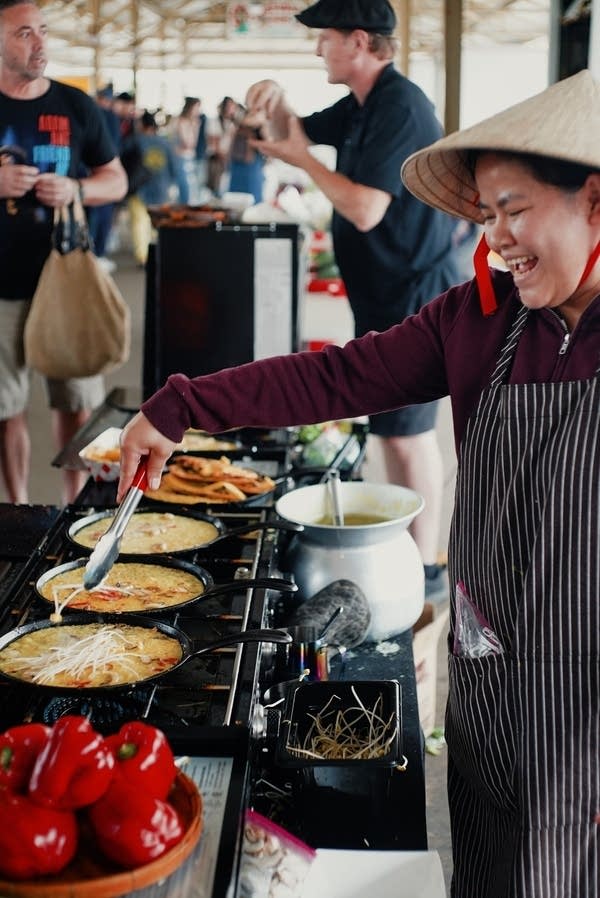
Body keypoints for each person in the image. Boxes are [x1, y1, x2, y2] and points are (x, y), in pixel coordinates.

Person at [118, 69, 600, 897]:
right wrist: (180, 406)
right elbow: (336, 379)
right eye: (485, 217)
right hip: (490, 680)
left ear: (595, 200)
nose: (497, 241)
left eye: (514, 209)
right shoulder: (478, 320)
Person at [243, 0, 460, 596]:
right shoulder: (362, 104)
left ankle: (428, 568)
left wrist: (304, 162)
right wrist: (273, 96)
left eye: (326, 38)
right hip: (383, 289)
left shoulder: (401, 106)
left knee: (409, 433)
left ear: (360, 41)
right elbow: (295, 132)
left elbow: (366, 208)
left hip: (413, 290)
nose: (319, 49)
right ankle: (417, 558)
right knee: (393, 426)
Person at [0, 0, 127, 504]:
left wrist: (76, 188)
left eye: (43, 32)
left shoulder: (77, 107)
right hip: (1, 287)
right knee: (5, 410)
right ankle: (17, 509)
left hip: (67, 280)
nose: (39, 44)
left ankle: (72, 511)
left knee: (76, 405)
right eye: (23, 33)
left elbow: (114, 180)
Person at [127, 110, 188, 267]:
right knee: (158, 222)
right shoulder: (166, 143)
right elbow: (176, 168)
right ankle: (158, 251)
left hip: (138, 188)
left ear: (142, 125)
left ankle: (143, 257)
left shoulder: (134, 140)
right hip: (161, 188)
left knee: (139, 222)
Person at [87, 83, 122, 272]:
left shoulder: (86, 112)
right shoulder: (110, 117)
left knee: (91, 214)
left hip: (87, 171)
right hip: (105, 172)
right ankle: (97, 254)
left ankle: (89, 253)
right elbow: (115, 147)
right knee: (102, 215)